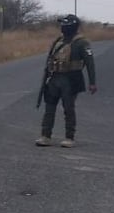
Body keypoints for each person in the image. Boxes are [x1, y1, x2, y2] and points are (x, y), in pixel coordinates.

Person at [35, 14, 97, 148]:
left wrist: (92, 82)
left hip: (71, 79)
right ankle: (45, 136)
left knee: (68, 109)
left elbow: (90, 63)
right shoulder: (58, 41)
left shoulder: (82, 43)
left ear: (72, 26)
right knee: (49, 108)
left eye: (65, 24)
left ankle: (69, 137)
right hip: (54, 78)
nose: (62, 27)